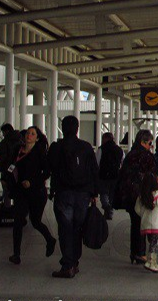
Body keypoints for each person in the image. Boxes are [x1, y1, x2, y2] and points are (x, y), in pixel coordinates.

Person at [48, 116, 99, 278]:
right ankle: (74, 262)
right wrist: (94, 193)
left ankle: (67, 265)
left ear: (63, 128)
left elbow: (49, 167)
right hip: (83, 195)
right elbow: (94, 171)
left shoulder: (57, 147)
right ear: (77, 128)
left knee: (65, 230)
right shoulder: (86, 147)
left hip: (63, 194)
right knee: (77, 229)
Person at [8, 126, 56, 265]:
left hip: (36, 192)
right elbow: (11, 166)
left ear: (37, 138)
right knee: (18, 221)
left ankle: (50, 239)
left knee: (36, 222)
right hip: (20, 192)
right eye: (28, 133)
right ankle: (16, 254)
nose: (29, 135)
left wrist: (32, 182)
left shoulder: (40, 152)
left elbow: (46, 172)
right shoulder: (18, 150)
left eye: (32, 134)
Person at [119, 130, 158, 265]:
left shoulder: (130, 155)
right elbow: (152, 175)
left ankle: (135, 252)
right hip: (142, 194)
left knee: (135, 223)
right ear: (143, 142)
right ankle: (140, 253)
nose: (150, 146)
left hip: (129, 194)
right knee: (143, 224)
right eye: (150, 143)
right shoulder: (146, 156)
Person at [134, 172, 158, 273]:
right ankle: (151, 262)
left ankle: (152, 262)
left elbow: (137, 209)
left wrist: (144, 215)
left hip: (146, 224)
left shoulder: (142, 195)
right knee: (155, 244)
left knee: (151, 243)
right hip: (157, 223)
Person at [96, 132, 123, 220]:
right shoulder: (119, 150)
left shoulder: (101, 149)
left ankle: (106, 206)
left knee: (103, 193)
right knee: (112, 194)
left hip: (103, 175)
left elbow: (97, 162)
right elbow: (123, 163)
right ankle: (110, 211)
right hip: (115, 176)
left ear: (105, 139)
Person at [0, 123, 23, 207]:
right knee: (18, 191)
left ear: (6, 131)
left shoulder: (5, 142)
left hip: (7, 171)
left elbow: (2, 157)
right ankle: (18, 211)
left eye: (3, 132)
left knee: (7, 191)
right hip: (18, 170)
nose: (3, 134)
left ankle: (7, 210)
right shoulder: (21, 140)